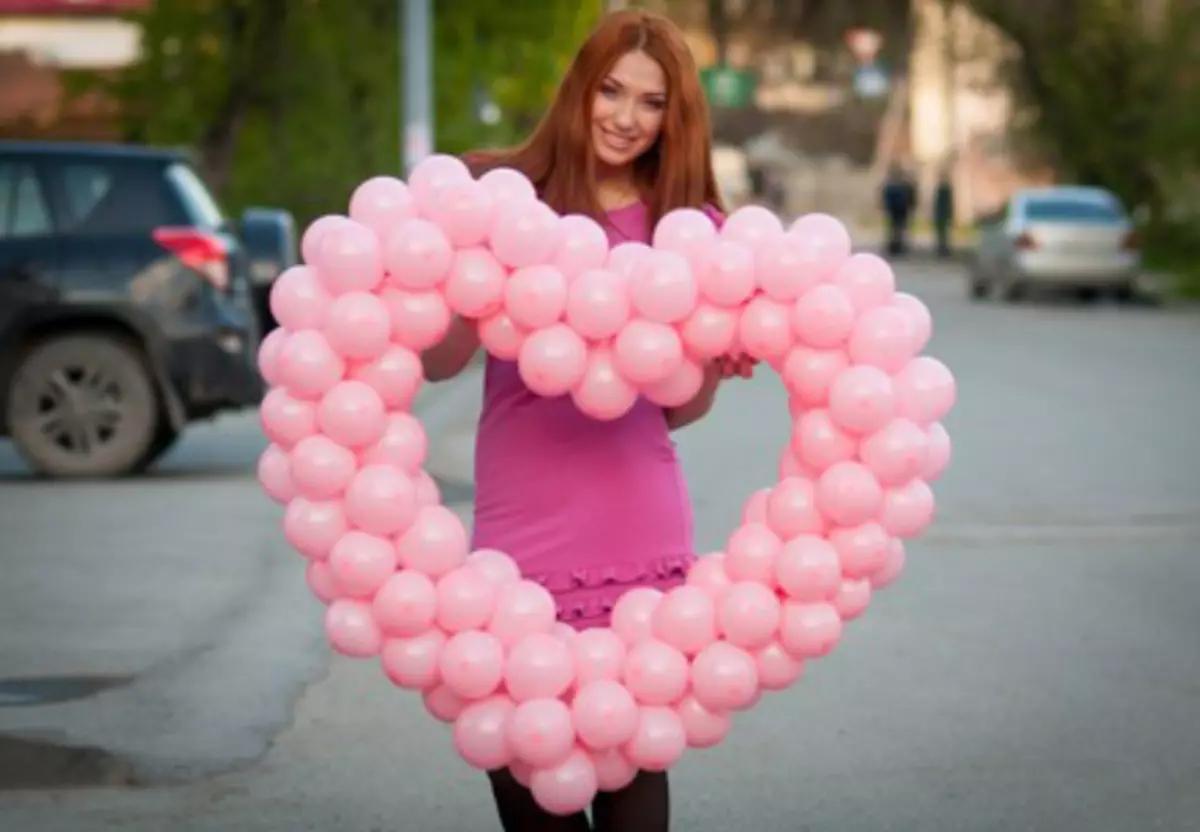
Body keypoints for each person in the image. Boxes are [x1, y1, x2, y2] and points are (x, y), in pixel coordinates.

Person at [420, 9, 755, 832]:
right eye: (612, 91)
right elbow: (439, 364)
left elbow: (674, 411)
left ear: (673, 119)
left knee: (626, 763)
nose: (625, 118)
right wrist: (474, 279)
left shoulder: (692, 229)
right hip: (520, 530)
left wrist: (713, 361)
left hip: (633, 522)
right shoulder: (503, 197)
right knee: (523, 765)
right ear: (580, 89)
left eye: (651, 103)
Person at [881, 163, 916, 256]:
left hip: (897, 210)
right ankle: (896, 246)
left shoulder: (893, 185)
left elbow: (886, 197)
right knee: (898, 229)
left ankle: (896, 246)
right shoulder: (903, 186)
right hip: (899, 210)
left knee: (896, 229)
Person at [932, 166, 955, 258]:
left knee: (943, 232)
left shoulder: (944, 190)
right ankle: (942, 248)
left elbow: (947, 204)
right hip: (942, 213)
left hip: (943, 213)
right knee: (942, 232)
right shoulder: (943, 190)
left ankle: (942, 248)